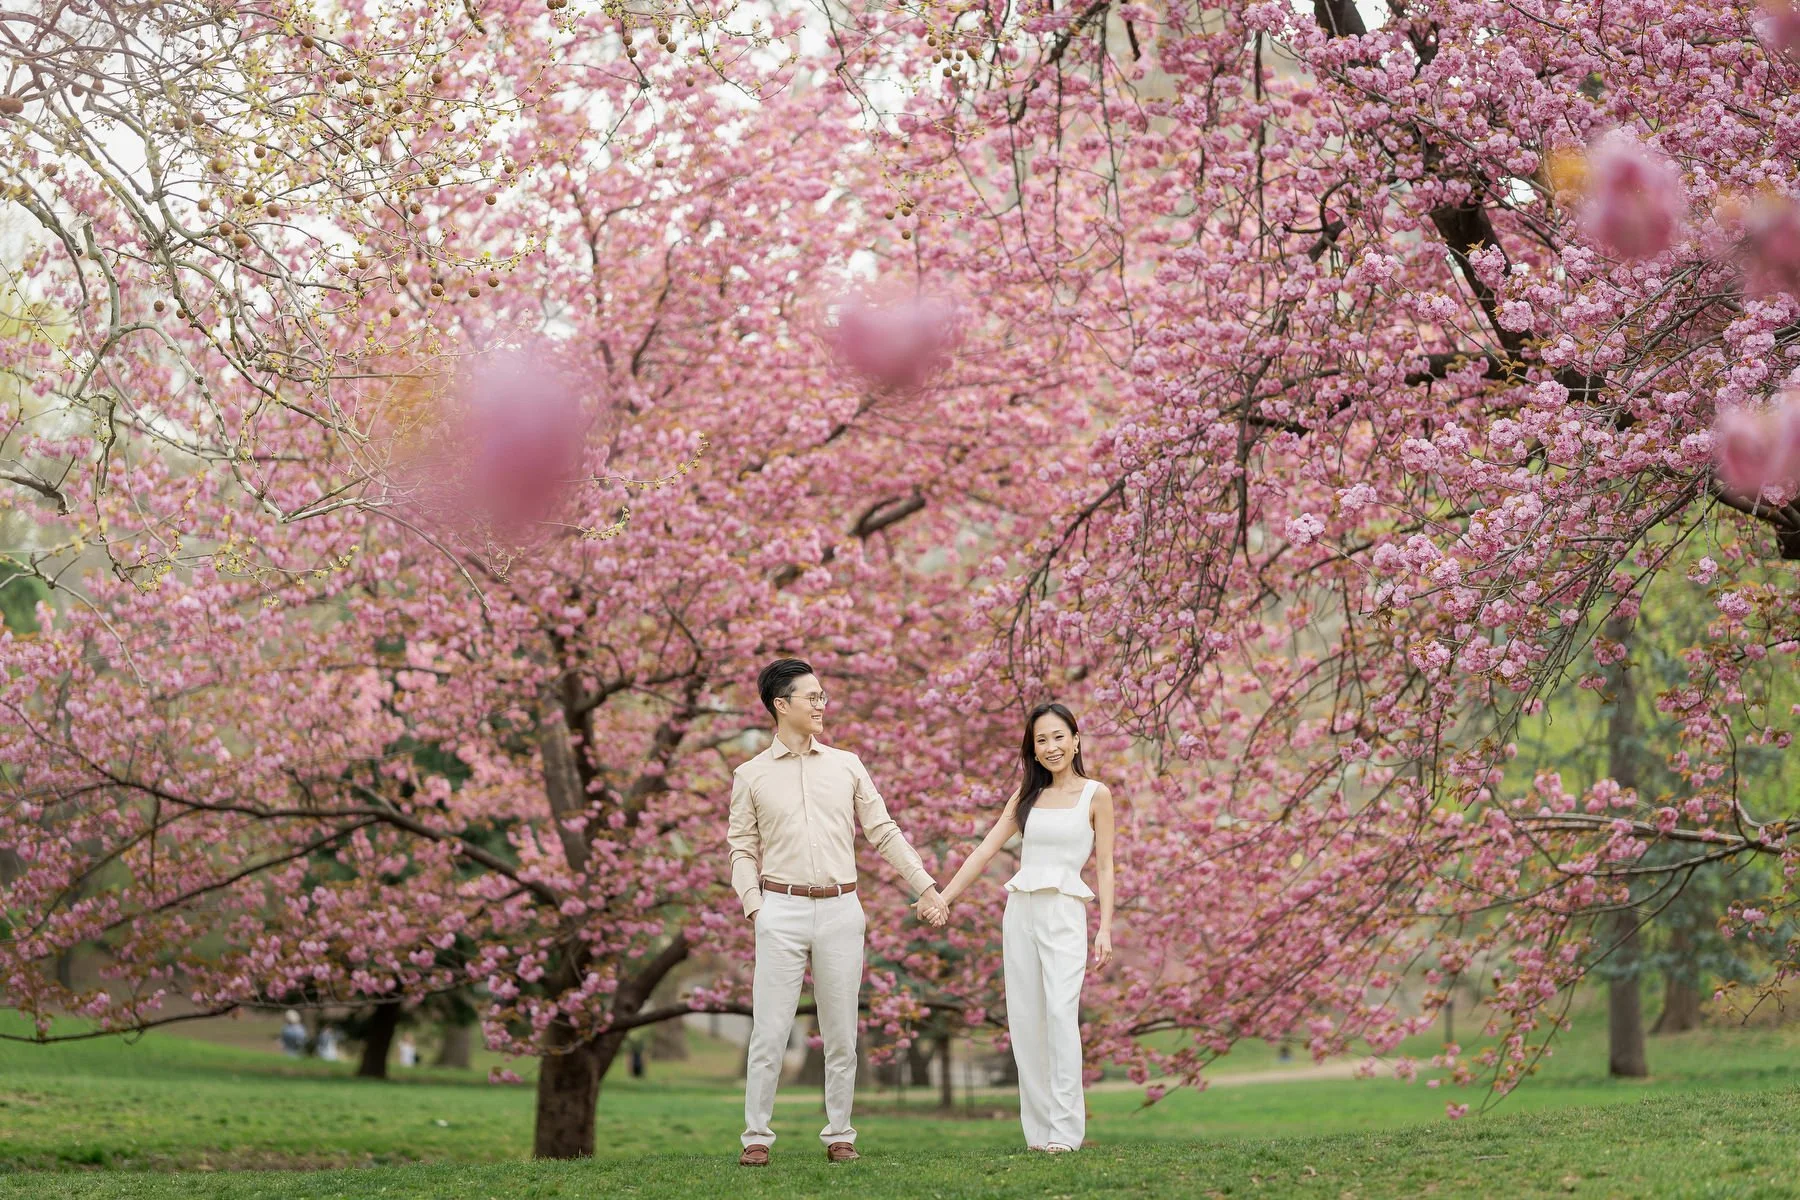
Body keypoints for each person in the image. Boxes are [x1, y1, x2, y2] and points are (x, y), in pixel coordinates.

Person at [727, 657, 948, 1167]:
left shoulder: (847, 765)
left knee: (842, 1032)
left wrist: (927, 886)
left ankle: (840, 1135)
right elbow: (741, 848)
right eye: (812, 697)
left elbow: (884, 831)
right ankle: (756, 1137)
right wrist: (755, 908)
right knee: (770, 1032)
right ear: (781, 705)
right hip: (779, 909)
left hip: (842, 910)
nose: (822, 705)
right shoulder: (750, 775)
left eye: (822, 696)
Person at [935, 702, 1117, 1153]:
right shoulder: (1025, 798)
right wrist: (944, 896)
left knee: (1060, 1016)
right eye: (1041, 740)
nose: (1051, 747)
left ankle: (1066, 1132)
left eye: (1059, 737)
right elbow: (984, 851)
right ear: (1032, 750)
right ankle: (1039, 1133)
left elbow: (1106, 866)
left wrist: (1105, 928)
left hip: (1065, 913)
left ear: (1076, 740)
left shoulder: (1097, 795)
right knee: (1026, 1020)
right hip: (1021, 914)